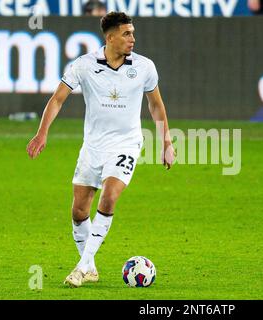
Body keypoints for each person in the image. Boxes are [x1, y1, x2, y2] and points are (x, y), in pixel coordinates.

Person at [26, 12, 175, 288]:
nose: (133, 38)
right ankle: (91, 266)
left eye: (132, 32)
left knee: (109, 198)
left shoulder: (144, 67)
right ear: (110, 37)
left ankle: (81, 268)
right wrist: (41, 133)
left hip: (126, 144)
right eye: (127, 33)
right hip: (93, 146)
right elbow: (57, 99)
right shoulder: (83, 66)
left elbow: (156, 105)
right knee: (79, 211)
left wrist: (166, 141)